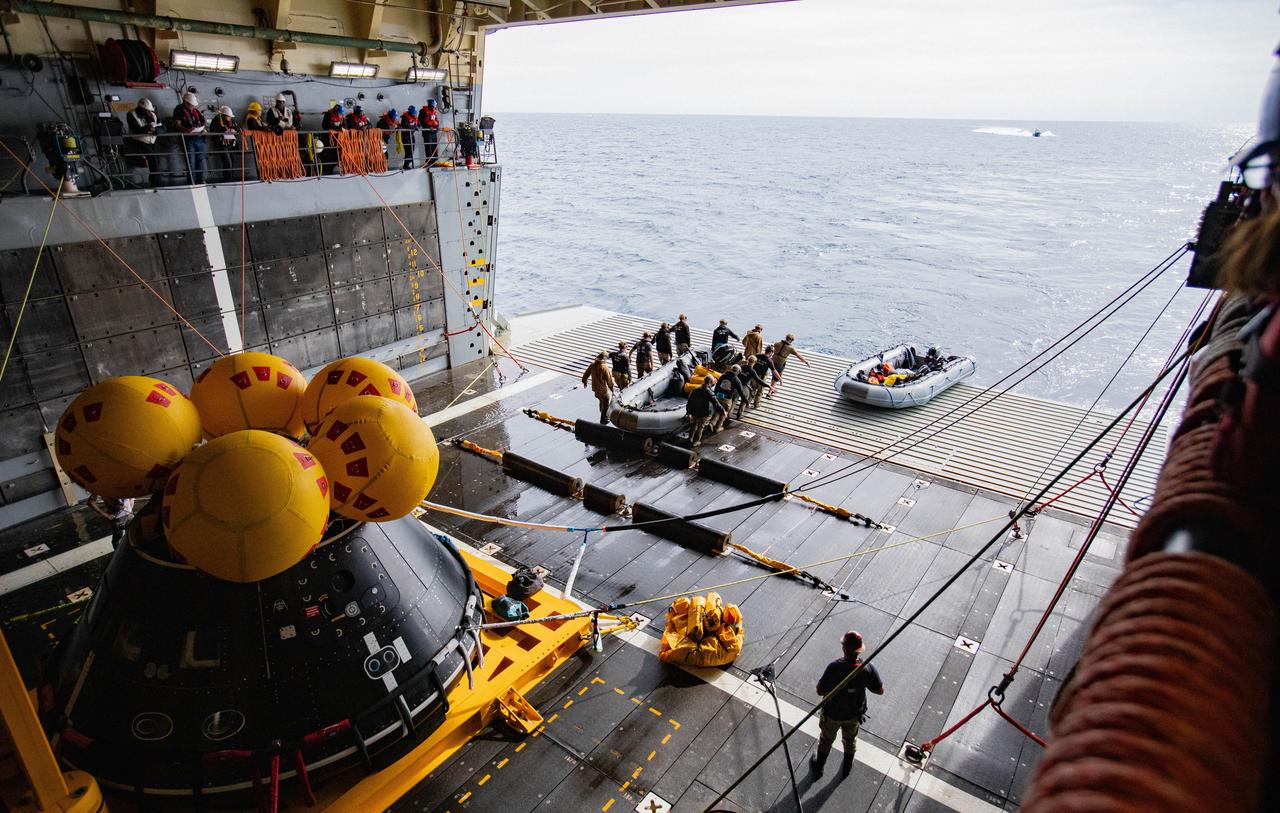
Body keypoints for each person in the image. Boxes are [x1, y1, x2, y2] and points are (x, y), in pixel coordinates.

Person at [810, 630, 884, 779]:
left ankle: (819, 767)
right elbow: (879, 690)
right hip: (854, 714)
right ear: (859, 650)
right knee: (850, 740)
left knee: (826, 739)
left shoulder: (834, 667)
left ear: (844, 648)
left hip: (833, 713)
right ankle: (847, 767)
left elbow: (820, 690)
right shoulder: (867, 668)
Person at [124, 98, 161, 186]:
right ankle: (156, 183)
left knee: (157, 160)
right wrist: (148, 128)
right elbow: (135, 129)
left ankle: (154, 180)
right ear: (141, 109)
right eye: (147, 111)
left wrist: (156, 130)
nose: (149, 112)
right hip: (141, 141)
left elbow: (163, 127)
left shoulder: (153, 115)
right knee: (153, 160)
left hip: (153, 140)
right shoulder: (131, 114)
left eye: (149, 111)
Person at [172, 91, 207, 184]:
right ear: (185, 102)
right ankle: (192, 181)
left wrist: (203, 129)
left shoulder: (196, 111)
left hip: (199, 138)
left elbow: (203, 122)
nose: (193, 106)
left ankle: (201, 179)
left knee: (201, 159)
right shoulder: (178, 110)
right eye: (191, 104)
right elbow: (177, 125)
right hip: (188, 139)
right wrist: (186, 130)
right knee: (191, 161)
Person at [686, 376, 726, 447]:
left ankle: (690, 438)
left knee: (693, 425)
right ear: (710, 382)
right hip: (704, 413)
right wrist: (723, 410)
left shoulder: (695, 389)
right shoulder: (709, 392)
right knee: (700, 427)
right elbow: (716, 402)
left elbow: (689, 401)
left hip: (694, 411)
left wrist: (688, 412)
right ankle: (696, 441)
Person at [208, 105, 242, 183]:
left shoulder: (232, 121)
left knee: (232, 160)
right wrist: (225, 131)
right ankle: (227, 178)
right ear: (224, 115)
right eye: (228, 116)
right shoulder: (216, 121)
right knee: (227, 162)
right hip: (222, 144)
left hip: (231, 144)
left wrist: (233, 130)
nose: (230, 118)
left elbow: (238, 128)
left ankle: (231, 177)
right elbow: (214, 130)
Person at [581, 351, 615, 423]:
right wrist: (612, 389)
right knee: (606, 402)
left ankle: (601, 411)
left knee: (601, 400)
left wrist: (584, 381)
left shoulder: (592, 365)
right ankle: (603, 418)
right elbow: (609, 380)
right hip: (603, 390)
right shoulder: (604, 367)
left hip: (595, 389)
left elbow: (586, 374)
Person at [320, 103, 345, 175]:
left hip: (337, 140)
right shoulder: (328, 115)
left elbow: (345, 125)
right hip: (328, 140)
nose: (341, 115)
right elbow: (326, 126)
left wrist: (341, 128)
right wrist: (339, 128)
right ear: (336, 112)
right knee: (328, 155)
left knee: (336, 155)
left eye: (341, 114)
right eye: (340, 113)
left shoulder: (342, 117)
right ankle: (326, 171)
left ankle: (336, 169)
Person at [421, 98, 441, 165]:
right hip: (427, 133)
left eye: (434, 107)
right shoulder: (423, 111)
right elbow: (421, 122)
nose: (433, 108)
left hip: (434, 132)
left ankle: (435, 161)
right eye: (433, 106)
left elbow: (436, 120)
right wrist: (429, 127)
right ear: (429, 105)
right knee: (428, 147)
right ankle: (429, 162)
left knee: (434, 147)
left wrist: (437, 127)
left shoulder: (434, 112)